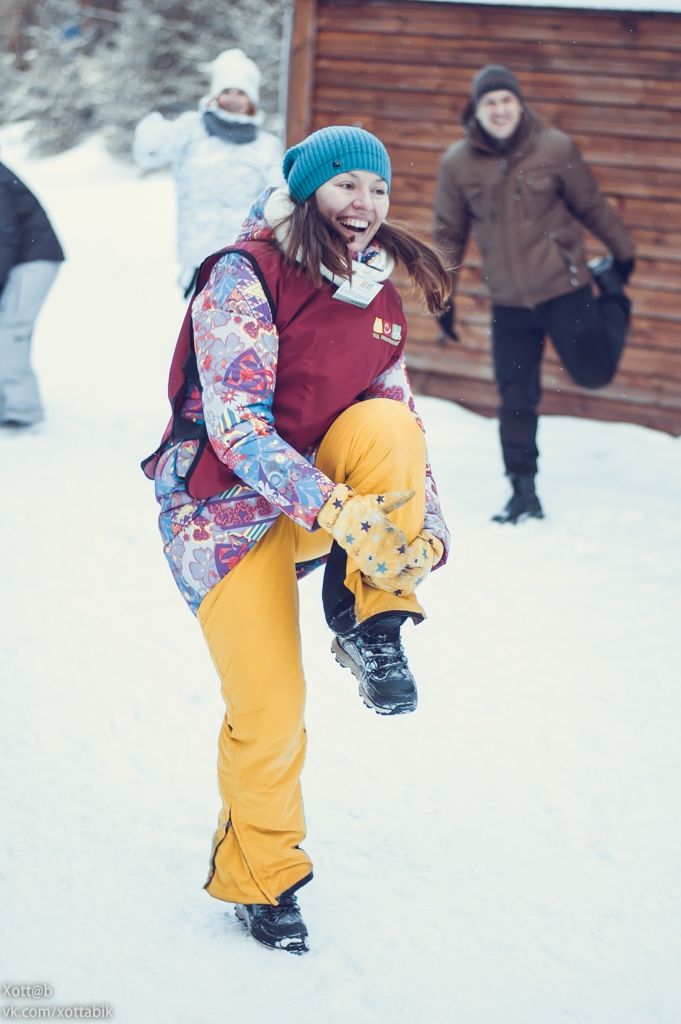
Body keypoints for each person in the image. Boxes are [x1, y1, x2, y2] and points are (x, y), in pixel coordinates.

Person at [141, 126, 452, 954]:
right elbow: (236, 428)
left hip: (316, 509)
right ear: (308, 192)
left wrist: (427, 534)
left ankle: (371, 619)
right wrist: (337, 511)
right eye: (347, 186)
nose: (366, 205)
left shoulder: (378, 296)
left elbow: (400, 423)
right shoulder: (243, 274)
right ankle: (260, 877)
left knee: (384, 422)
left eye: (378, 189)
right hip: (224, 516)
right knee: (271, 710)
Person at [434, 64, 636, 523]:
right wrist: (441, 296)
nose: (499, 109)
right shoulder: (457, 164)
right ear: (476, 109)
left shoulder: (554, 147)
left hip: (564, 289)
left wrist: (622, 257)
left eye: (507, 100)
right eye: (490, 102)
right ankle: (523, 490)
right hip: (509, 302)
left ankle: (615, 300)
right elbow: (448, 235)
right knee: (515, 397)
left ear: (520, 104)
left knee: (593, 374)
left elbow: (591, 205)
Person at [133, 48, 283, 294]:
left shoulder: (266, 146)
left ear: (252, 99)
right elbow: (149, 155)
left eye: (240, 92)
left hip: (244, 262)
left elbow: (276, 203)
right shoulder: (192, 130)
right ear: (215, 94)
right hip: (198, 259)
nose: (233, 99)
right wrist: (151, 130)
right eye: (226, 91)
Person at [0, 160, 64, 428]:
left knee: (10, 328)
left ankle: (22, 409)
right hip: (21, 256)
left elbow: (5, 235)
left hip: (34, 260)